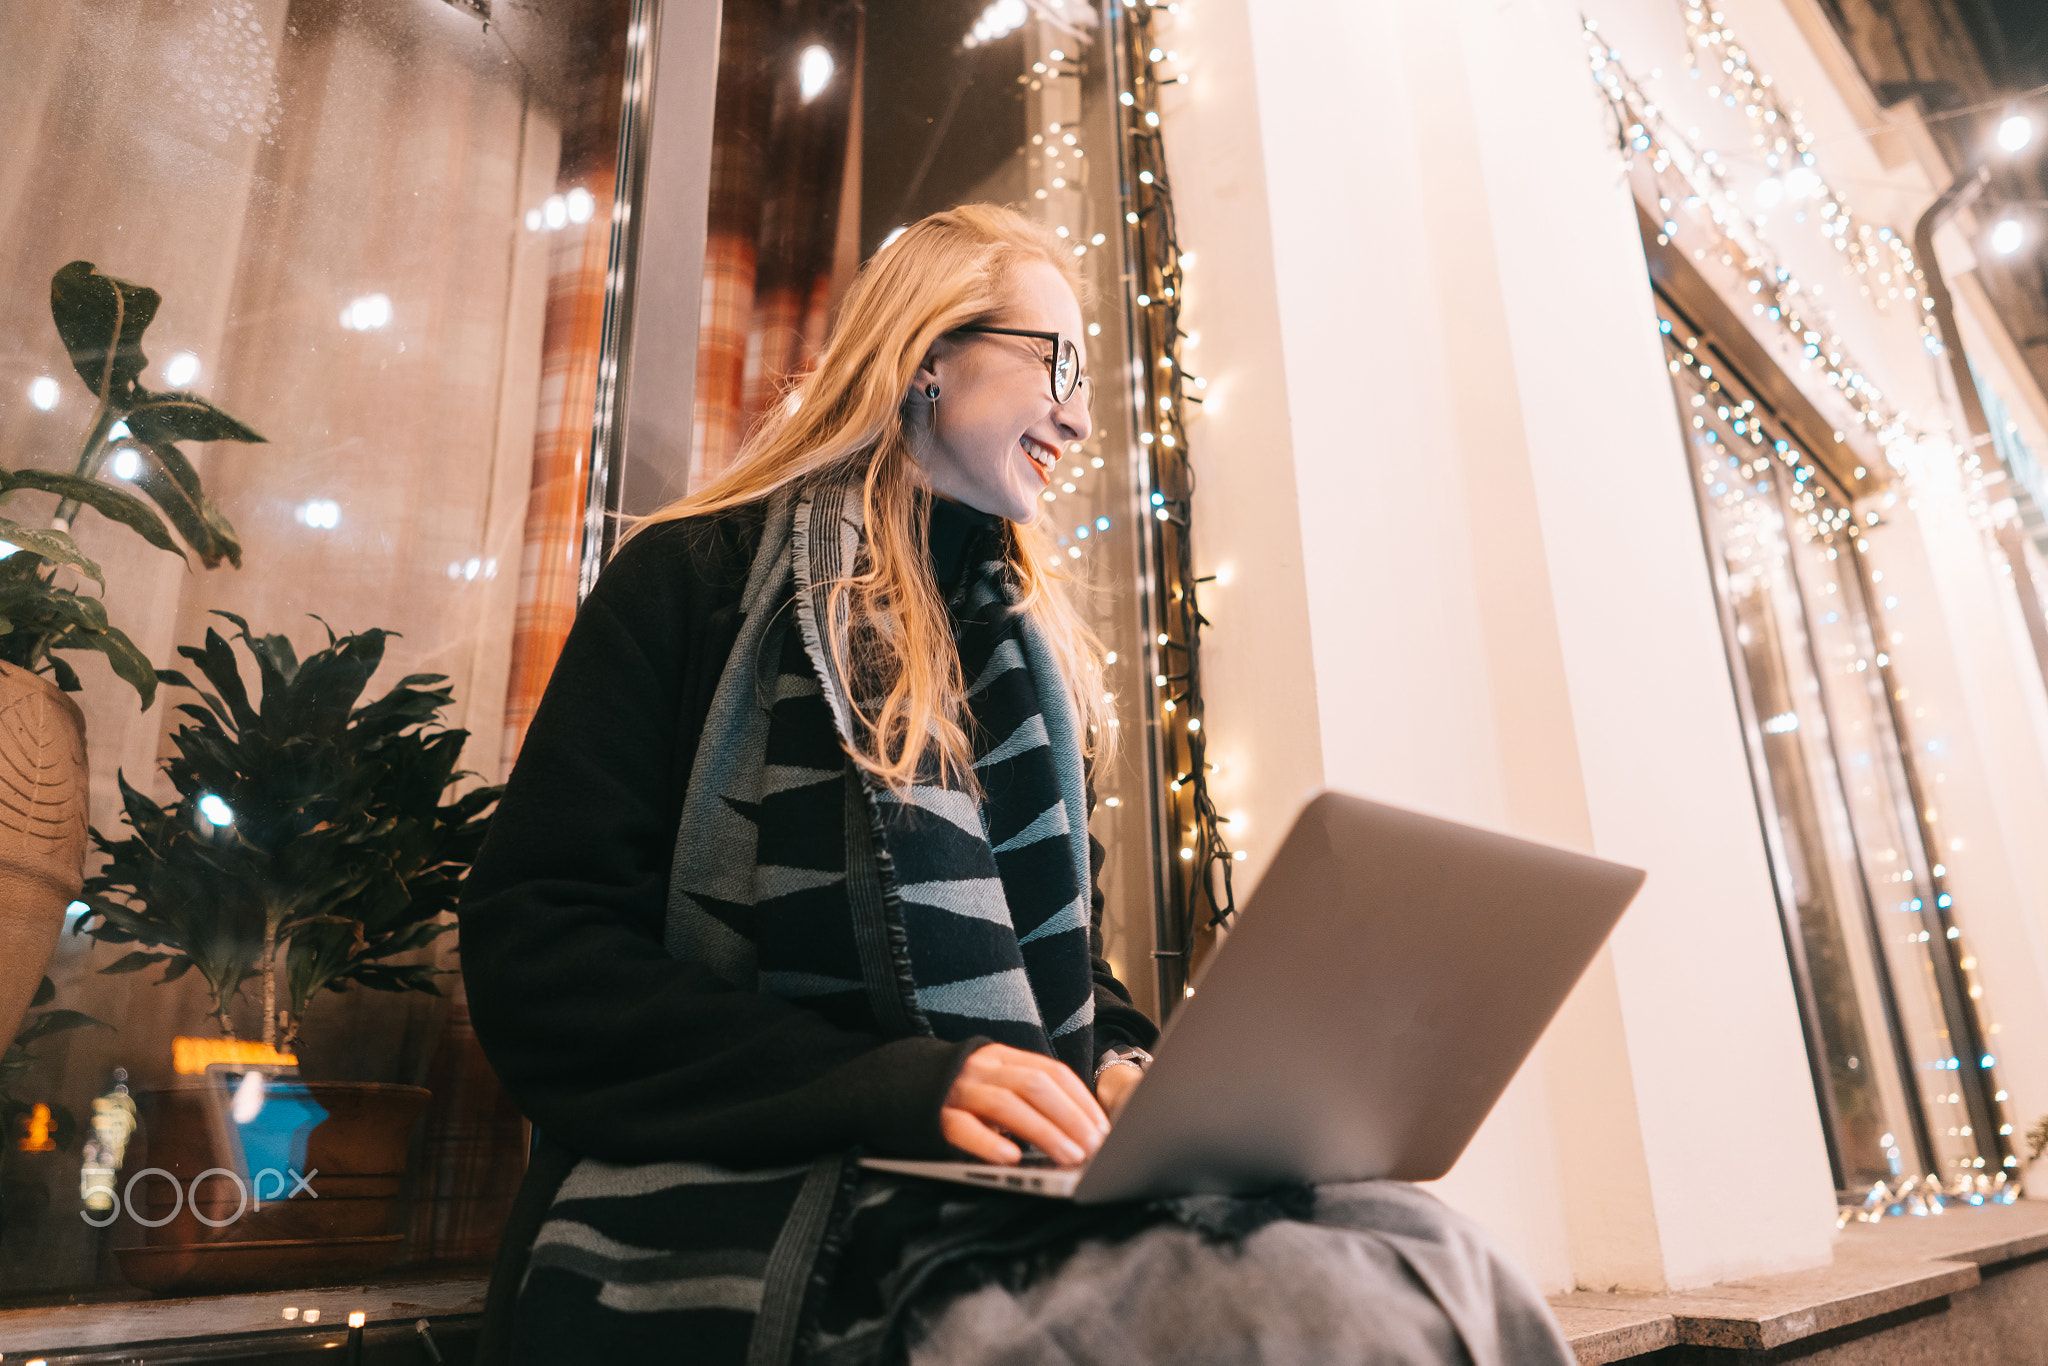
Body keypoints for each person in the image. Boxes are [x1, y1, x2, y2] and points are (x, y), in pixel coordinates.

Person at [458, 204, 1575, 1365]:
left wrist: (1131, 1070)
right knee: (1309, 1308)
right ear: (927, 355)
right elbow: (539, 959)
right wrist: (897, 1085)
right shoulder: (695, 583)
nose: (1082, 416)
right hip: (753, 1196)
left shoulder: (1019, 661)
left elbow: (1067, 980)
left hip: (1006, 1181)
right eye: (1060, 363)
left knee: (1435, 1246)